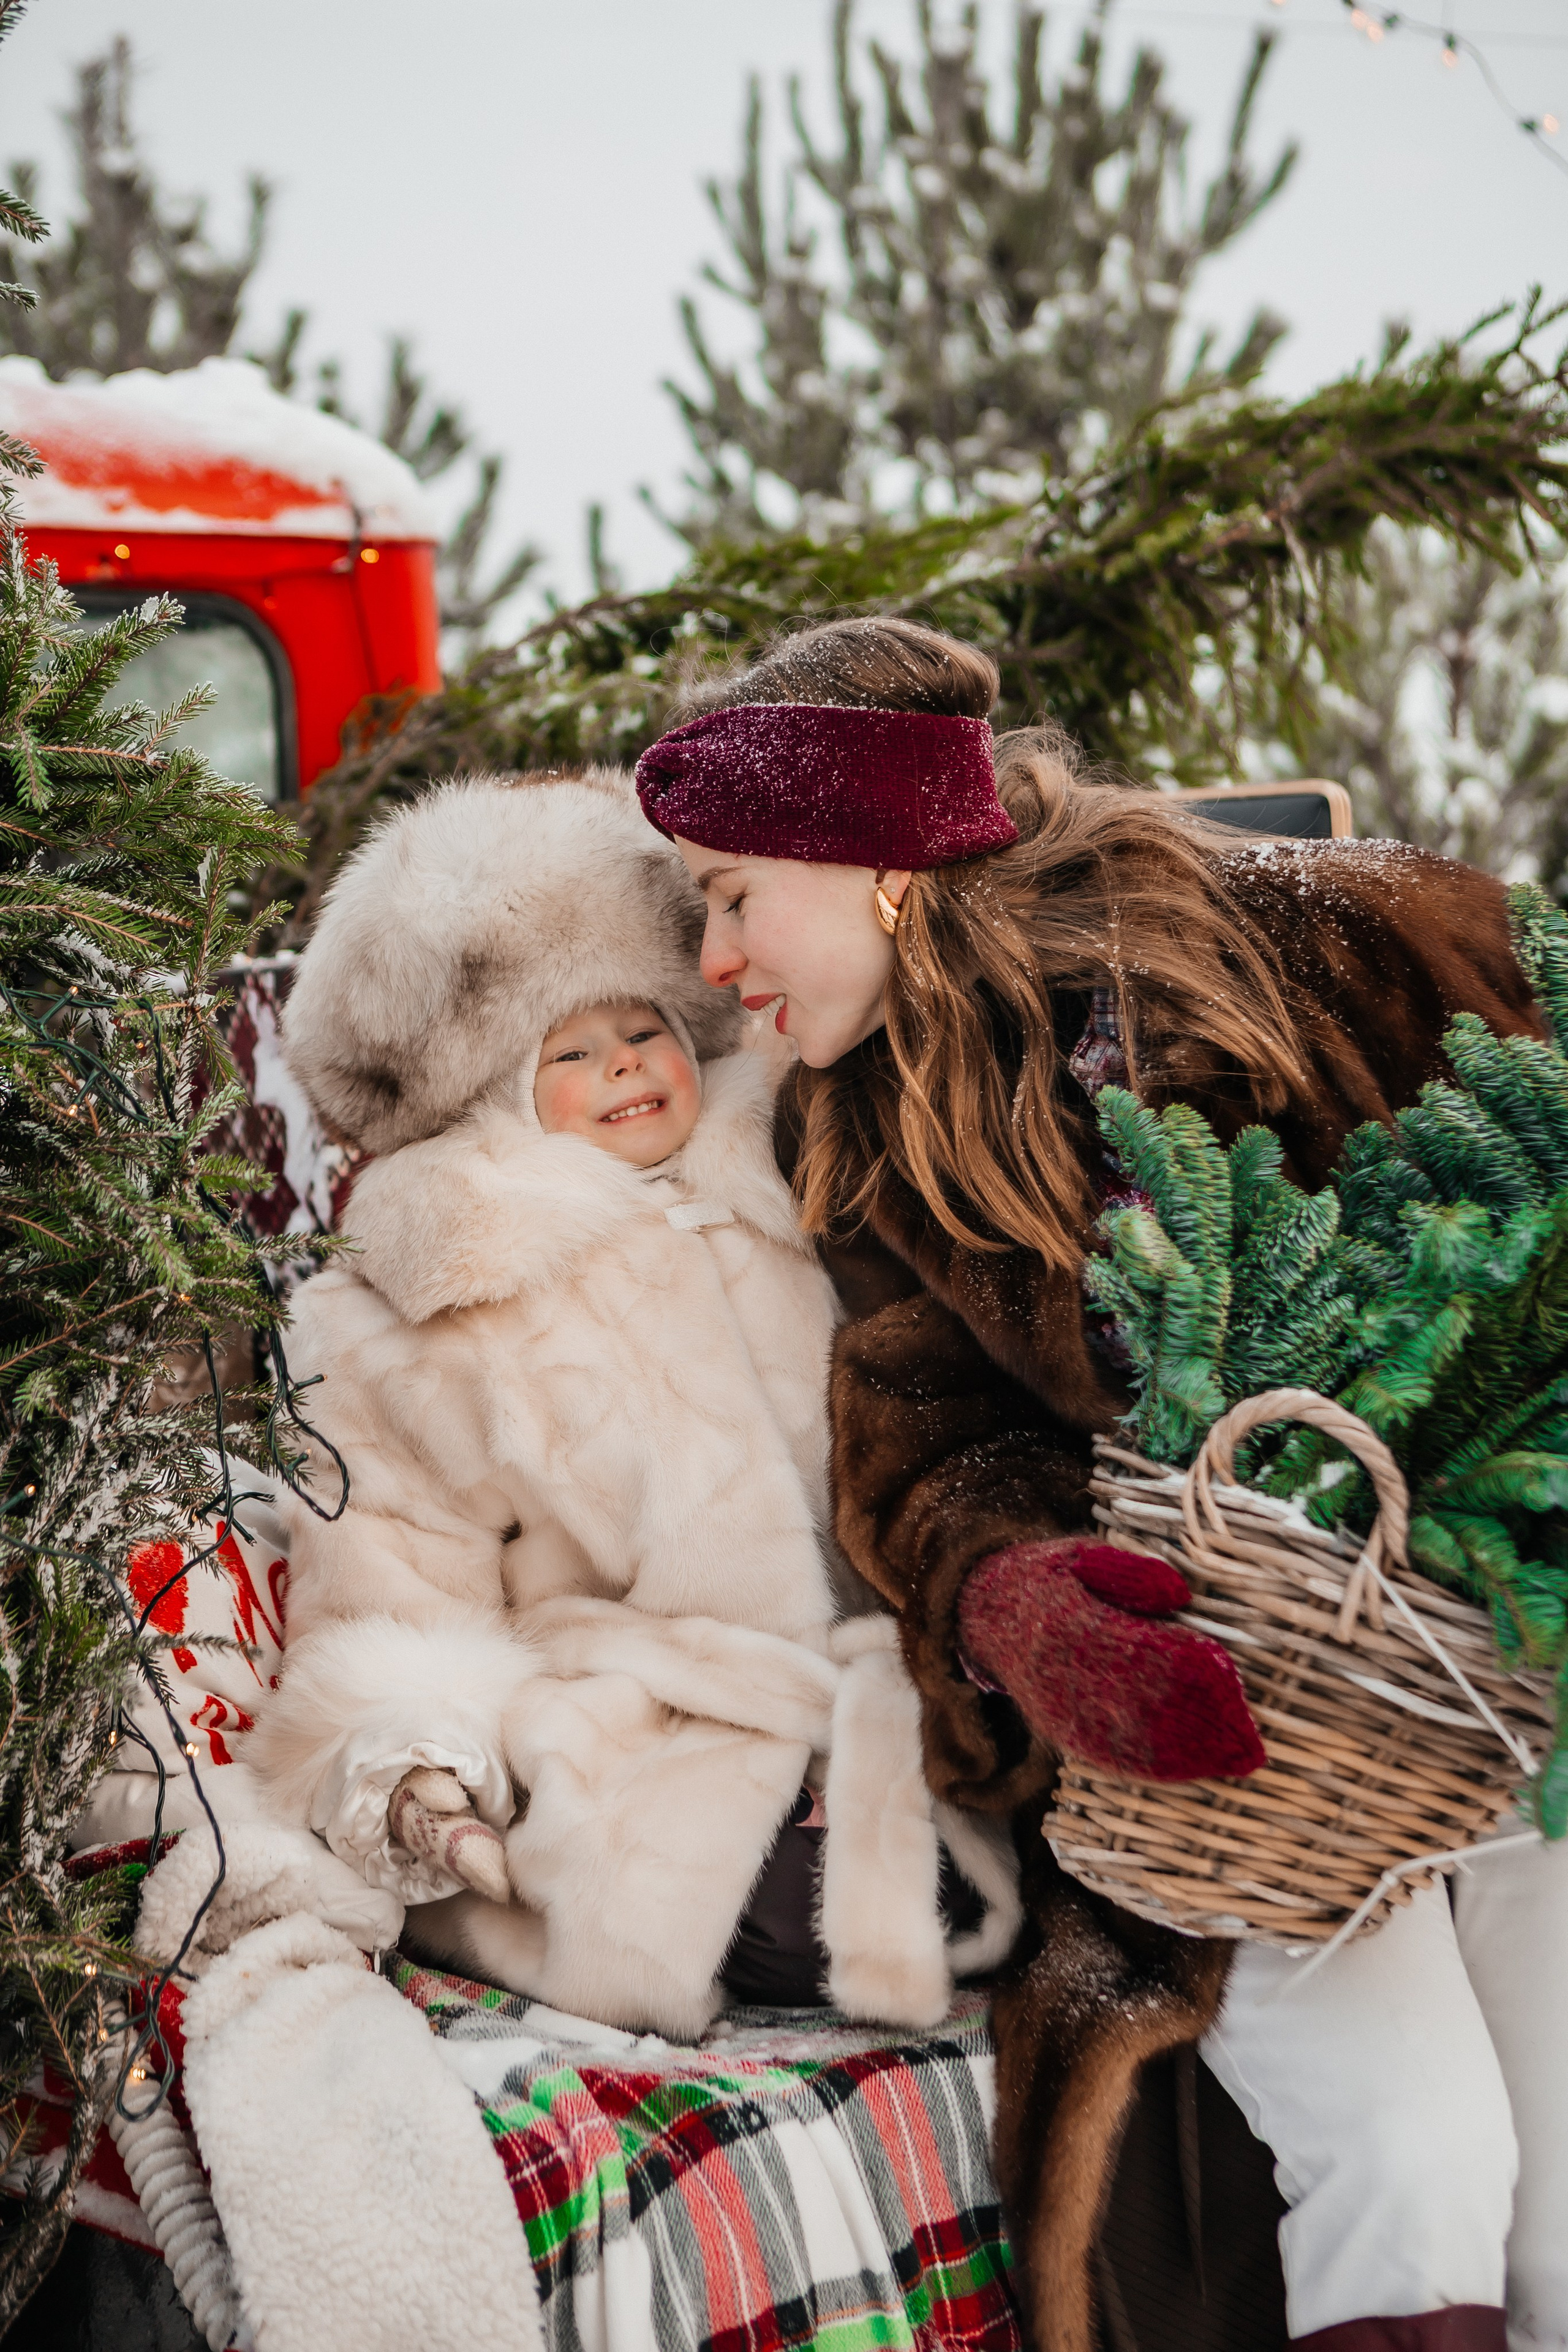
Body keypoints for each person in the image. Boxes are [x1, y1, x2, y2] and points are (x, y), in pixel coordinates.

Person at [632, 616, 1568, 2352]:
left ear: (877, 868)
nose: (716, 956)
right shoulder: (854, 1135)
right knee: (1414, 2154)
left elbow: (1541, 1119)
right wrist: (1018, 1603)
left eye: (735, 892)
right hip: (1244, 1755)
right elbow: (934, 1442)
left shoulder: (1325, 937)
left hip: (1503, 1671)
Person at [254, 766, 1018, 2039]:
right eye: (570, 1049)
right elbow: (392, 1585)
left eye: (643, 1029)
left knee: (1027, 1864)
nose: (623, 1065)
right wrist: (422, 1773)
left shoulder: (803, 1170)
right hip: (642, 1721)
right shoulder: (417, 1315)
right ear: (493, 1092)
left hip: (888, 1685)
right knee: (783, 1913)